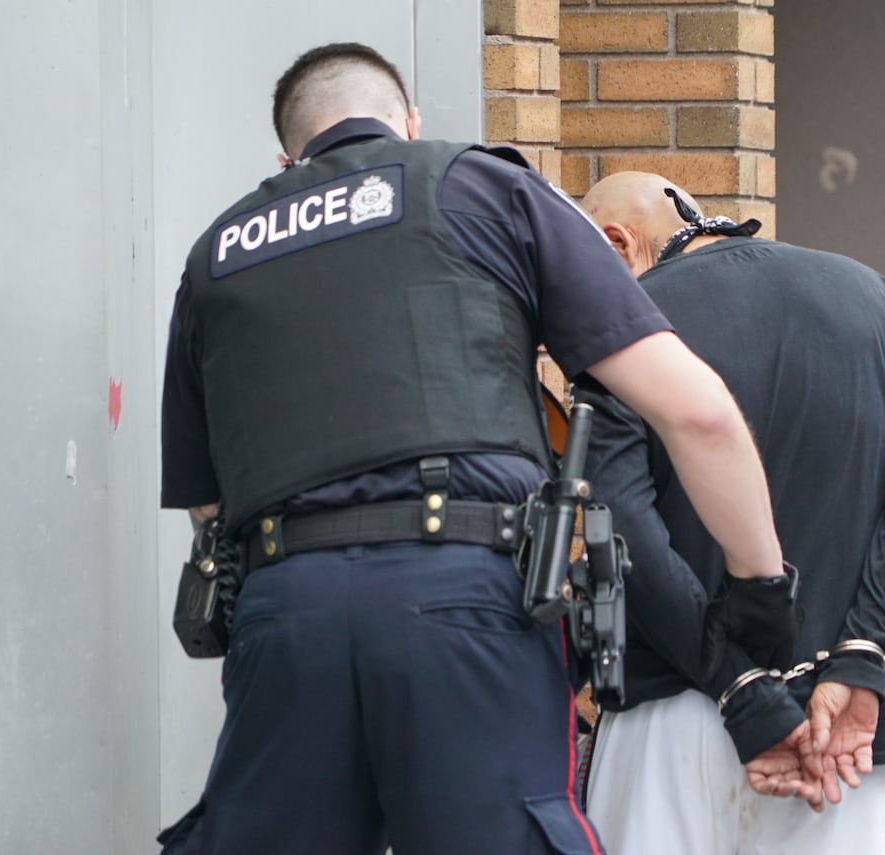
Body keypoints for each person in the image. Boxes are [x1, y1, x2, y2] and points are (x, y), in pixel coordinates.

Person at [157, 45, 795, 855]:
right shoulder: (482, 185)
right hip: (466, 598)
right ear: (410, 122)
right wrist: (759, 586)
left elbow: (208, 506)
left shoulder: (218, 253)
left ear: (288, 158)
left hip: (284, 613)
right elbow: (698, 413)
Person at [576, 171, 885, 854]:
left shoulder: (627, 329)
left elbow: (622, 528)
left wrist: (742, 688)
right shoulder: (875, 298)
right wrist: (862, 655)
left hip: (670, 716)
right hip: (837, 730)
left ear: (617, 242)